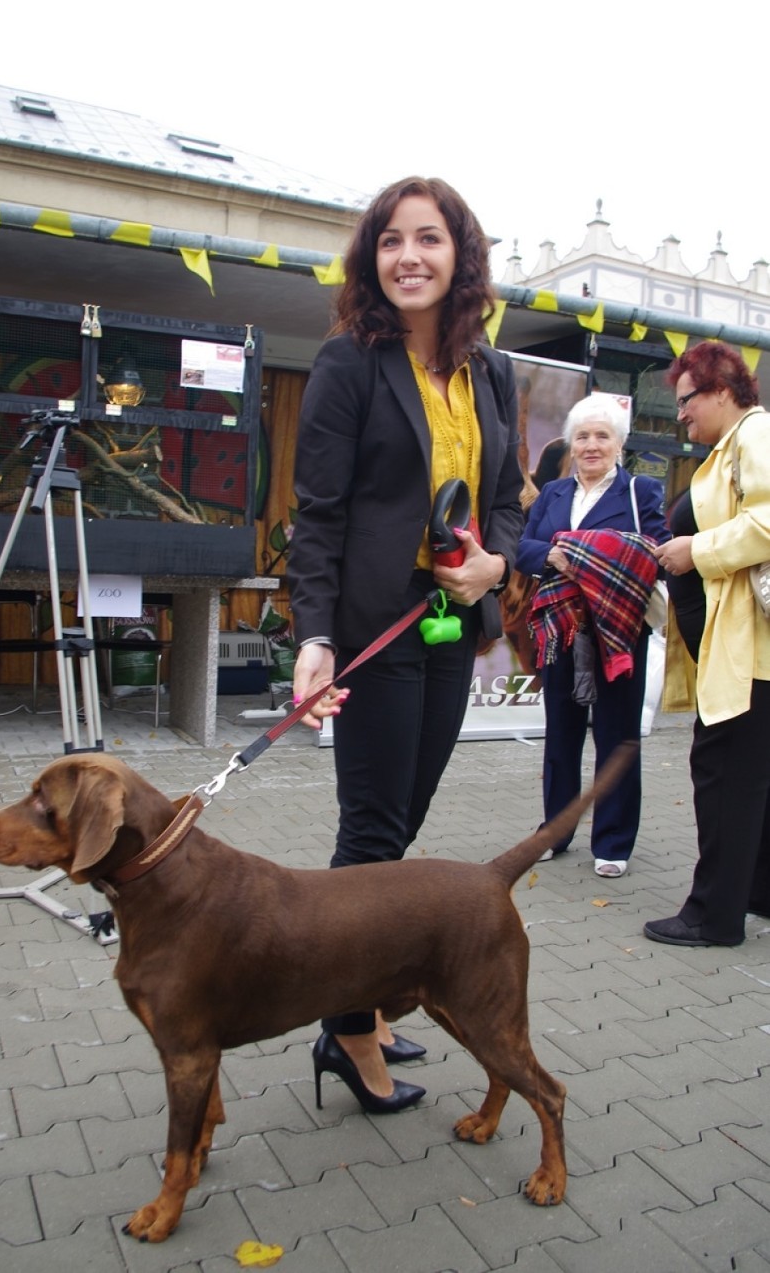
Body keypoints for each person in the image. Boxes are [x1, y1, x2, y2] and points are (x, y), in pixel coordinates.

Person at [287, 176, 524, 1113]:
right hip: (374, 631)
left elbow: (504, 495)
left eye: (429, 238)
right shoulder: (350, 362)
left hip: (450, 626)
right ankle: (347, 1033)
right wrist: (312, 639)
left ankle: (372, 1004)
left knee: (406, 822)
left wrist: (495, 567)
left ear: (461, 253)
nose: (408, 257)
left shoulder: (492, 371)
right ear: (371, 258)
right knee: (374, 833)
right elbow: (319, 515)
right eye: (391, 241)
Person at [644, 341, 770, 947]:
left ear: (722, 389)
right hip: (747, 653)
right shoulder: (730, 446)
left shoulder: (754, 434)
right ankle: (754, 893)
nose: (681, 416)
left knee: (722, 775)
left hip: (749, 655)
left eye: (687, 400)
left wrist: (697, 550)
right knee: (749, 778)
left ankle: (712, 916)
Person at [515, 393, 670, 877]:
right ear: (571, 444)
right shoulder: (555, 495)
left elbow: (657, 548)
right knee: (560, 734)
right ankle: (554, 833)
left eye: (602, 436)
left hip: (619, 631)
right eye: (582, 436)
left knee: (616, 733)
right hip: (561, 629)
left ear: (619, 444)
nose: (591, 445)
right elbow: (524, 546)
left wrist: (592, 554)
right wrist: (555, 557)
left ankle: (613, 843)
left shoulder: (638, 492)